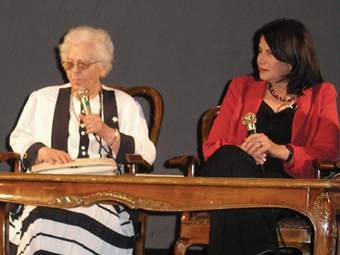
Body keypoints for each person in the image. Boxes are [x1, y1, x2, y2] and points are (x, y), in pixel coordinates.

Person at [9, 26, 156, 255]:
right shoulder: (42, 98)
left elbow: (147, 154)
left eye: (83, 64)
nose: (74, 71)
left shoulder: (124, 103)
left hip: (104, 198)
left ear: (103, 67)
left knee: (91, 214)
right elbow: (18, 138)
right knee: (42, 216)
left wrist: (108, 133)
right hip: (49, 193)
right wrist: (42, 151)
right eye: (69, 63)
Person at [200, 18, 339, 255]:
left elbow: (328, 152)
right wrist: (245, 151)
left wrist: (280, 150)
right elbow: (213, 146)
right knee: (231, 158)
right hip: (227, 174)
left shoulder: (321, 94)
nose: (260, 60)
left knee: (235, 208)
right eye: (259, 51)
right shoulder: (240, 86)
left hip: (283, 188)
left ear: (293, 57)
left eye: (270, 53)